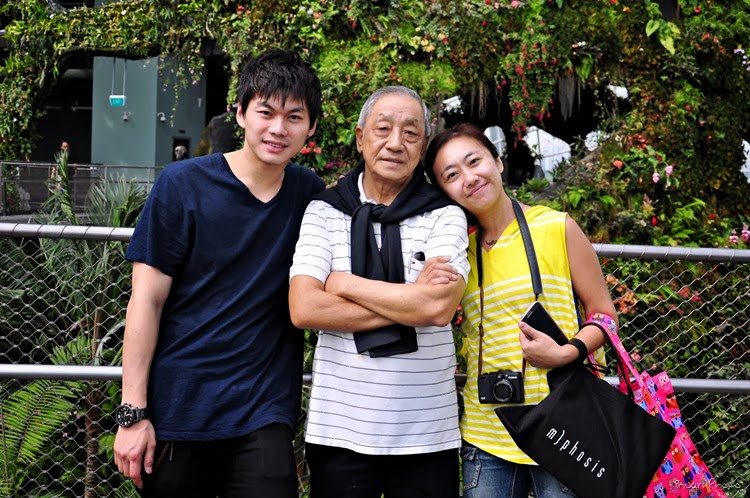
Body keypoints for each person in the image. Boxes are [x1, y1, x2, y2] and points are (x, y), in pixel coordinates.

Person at [113, 48, 325, 497]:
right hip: (179, 406)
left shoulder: (309, 194)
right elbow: (146, 300)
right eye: (266, 112)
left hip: (264, 409)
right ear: (241, 113)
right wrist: (133, 413)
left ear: (310, 128)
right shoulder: (182, 184)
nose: (278, 128)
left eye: (294, 117)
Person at [289, 86, 470, 498]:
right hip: (339, 430)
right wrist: (411, 301)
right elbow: (304, 307)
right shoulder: (324, 210)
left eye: (410, 133)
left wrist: (344, 284)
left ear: (423, 144)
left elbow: (439, 308)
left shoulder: (445, 214)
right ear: (360, 137)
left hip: (427, 432)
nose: (395, 143)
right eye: (383, 129)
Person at [424, 123, 618, 498]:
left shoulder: (556, 227)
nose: (469, 178)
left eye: (474, 161)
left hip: (565, 425)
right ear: (445, 191)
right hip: (486, 434)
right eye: (451, 175)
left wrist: (566, 352)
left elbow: (605, 315)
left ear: (497, 162)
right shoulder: (457, 253)